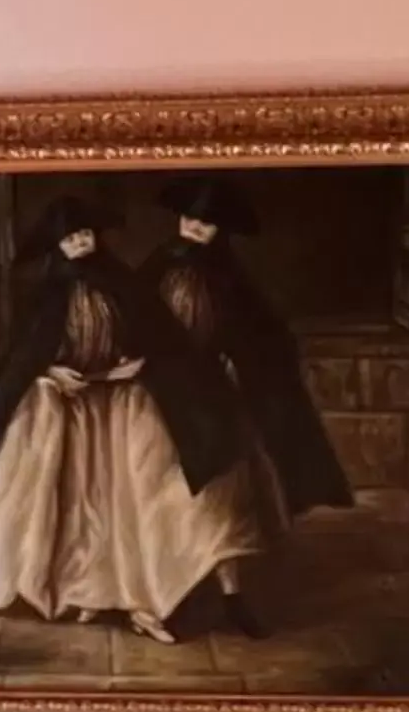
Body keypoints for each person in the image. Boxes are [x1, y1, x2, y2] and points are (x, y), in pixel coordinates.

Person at [0, 195, 256, 645]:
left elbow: (156, 337)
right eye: (70, 237)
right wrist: (50, 372)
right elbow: (24, 354)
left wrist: (136, 365)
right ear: (58, 245)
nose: (80, 242)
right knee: (77, 504)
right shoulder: (47, 294)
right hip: (67, 409)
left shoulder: (122, 283)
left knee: (126, 502)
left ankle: (142, 594)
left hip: (124, 406)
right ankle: (81, 589)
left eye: (85, 234)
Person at [141, 176, 353, 631]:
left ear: (223, 230)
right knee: (166, 501)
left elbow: (267, 335)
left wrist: (242, 363)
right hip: (161, 399)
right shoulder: (158, 266)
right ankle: (171, 597)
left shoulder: (230, 276)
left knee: (224, 502)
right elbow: (131, 323)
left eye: (209, 222)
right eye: (191, 217)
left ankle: (232, 597)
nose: (197, 227)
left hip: (216, 400)